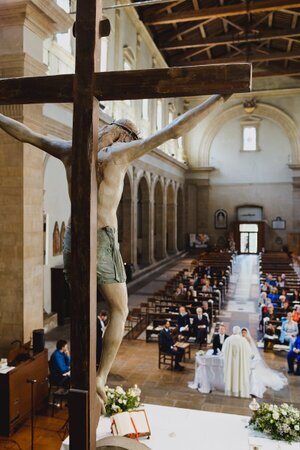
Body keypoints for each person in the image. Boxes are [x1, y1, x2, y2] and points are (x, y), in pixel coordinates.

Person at [0, 94, 226, 411]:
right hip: (101, 237)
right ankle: (100, 376)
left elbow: (25, 133)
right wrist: (220, 98)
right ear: (127, 136)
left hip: (72, 235)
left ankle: (79, 365)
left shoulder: (69, 149)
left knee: (81, 307)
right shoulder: (121, 153)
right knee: (119, 308)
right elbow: (173, 131)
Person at [241, 328, 287, 397]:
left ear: (246, 333)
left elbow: (251, 348)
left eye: (244, 332)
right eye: (242, 332)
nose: (243, 334)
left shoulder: (248, 339)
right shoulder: (240, 338)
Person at [222, 326, 252, 398]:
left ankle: (230, 391)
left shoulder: (228, 340)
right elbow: (249, 352)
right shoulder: (243, 340)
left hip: (231, 364)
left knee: (230, 374)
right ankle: (239, 390)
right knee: (239, 375)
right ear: (239, 332)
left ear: (233, 331)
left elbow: (223, 351)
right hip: (240, 364)